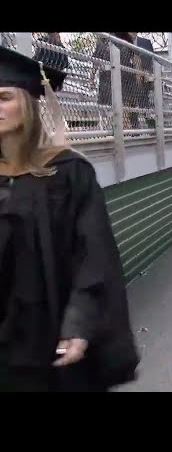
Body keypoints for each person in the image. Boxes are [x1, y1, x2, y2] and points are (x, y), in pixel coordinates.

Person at [0, 46, 139, 392]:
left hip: (50, 337)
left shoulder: (67, 173)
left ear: (29, 104)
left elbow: (93, 255)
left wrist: (78, 323)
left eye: (3, 97)